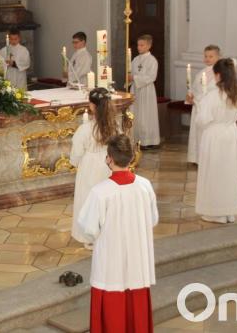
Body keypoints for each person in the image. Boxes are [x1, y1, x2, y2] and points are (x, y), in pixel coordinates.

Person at [76, 134, 158, 333]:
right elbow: (153, 220)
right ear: (132, 157)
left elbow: (88, 230)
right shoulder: (145, 186)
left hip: (111, 265)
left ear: (109, 159)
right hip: (137, 263)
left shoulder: (100, 192)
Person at [195, 59, 237, 224]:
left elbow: (202, 119)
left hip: (214, 134)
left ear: (217, 74)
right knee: (228, 172)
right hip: (231, 133)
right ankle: (228, 211)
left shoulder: (213, 95)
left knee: (214, 172)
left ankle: (214, 212)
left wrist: (199, 103)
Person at [70, 88, 120, 248]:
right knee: (107, 200)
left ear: (92, 106)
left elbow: (76, 154)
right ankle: (108, 235)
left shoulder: (85, 130)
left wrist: (78, 163)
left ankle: (90, 237)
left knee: (89, 200)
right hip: (109, 164)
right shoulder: (115, 127)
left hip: (89, 168)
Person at [186, 45, 220, 164]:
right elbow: (195, 88)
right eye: (206, 56)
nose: (207, 59)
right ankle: (197, 158)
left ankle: (207, 159)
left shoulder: (219, 74)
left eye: (211, 56)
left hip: (209, 109)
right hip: (198, 107)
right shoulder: (201, 73)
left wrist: (197, 98)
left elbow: (214, 91)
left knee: (206, 132)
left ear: (218, 57)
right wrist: (190, 96)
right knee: (197, 132)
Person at [129, 35, 160, 148]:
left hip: (146, 90)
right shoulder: (135, 59)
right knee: (135, 113)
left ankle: (148, 140)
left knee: (146, 114)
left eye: (142, 45)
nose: (139, 47)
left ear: (149, 46)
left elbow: (152, 77)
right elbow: (130, 73)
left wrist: (135, 78)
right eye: (138, 45)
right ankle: (136, 138)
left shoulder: (152, 60)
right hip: (135, 90)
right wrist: (129, 78)